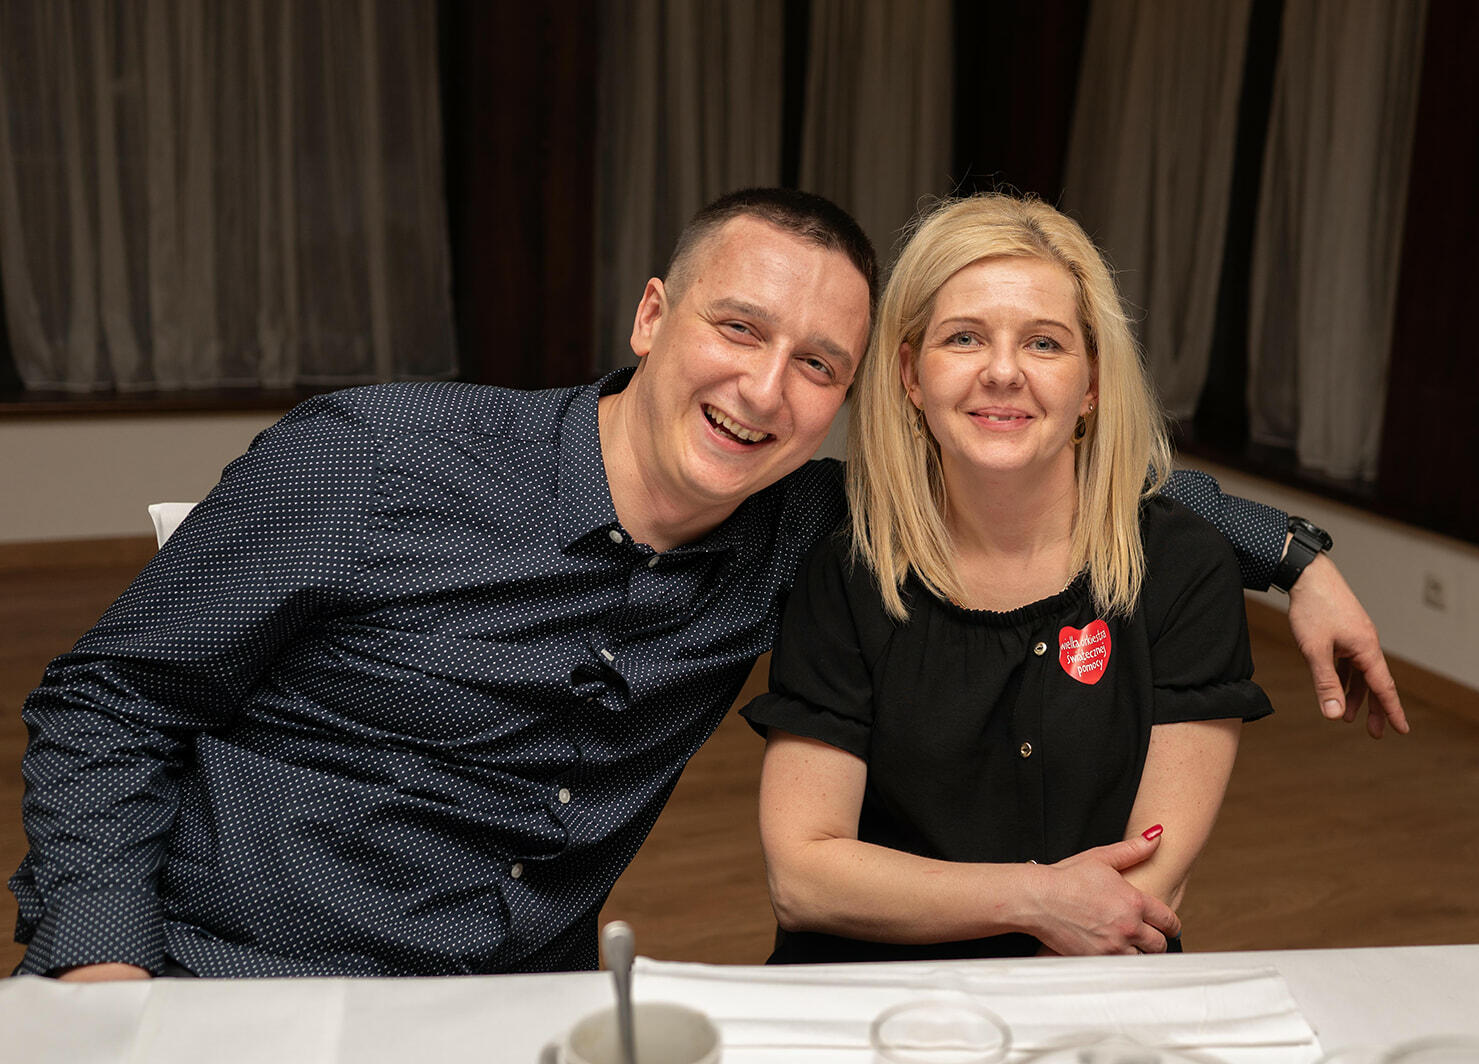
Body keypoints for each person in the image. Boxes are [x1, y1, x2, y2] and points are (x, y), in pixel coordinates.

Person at [9, 188, 1403, 982]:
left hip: (513, 1011)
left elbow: (1037, 468)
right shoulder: (375, 457)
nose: (764, 388)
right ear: (652, 316)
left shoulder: (801, 533)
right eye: (740, 328)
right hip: (221, 976)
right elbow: (110, 701)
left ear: (858, 397)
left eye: (817, 364)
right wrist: (107, 973)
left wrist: (1295, 555)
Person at [743, 193, 1275, 962]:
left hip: (1088, 987)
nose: (1002, 372)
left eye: (1044, 344)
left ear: (1092, 384)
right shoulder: (848, 571)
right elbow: (804, 878)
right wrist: (1039, 899)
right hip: (874, 993)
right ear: (910, 375)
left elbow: (1146, 889)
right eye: (963, 338)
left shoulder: (1183, 570)